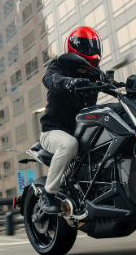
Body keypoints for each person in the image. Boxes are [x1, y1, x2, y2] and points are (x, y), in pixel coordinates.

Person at [36, 26, 103, 214]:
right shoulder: (59, 65)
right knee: (69, 144)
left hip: (82, 132)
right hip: (53, 131)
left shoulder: (94, 73)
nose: (91, 49)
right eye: (86, 45)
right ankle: (48, 194)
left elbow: (111, 83)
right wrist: (69, 82)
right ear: (74, 47)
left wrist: (130, 86)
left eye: (93, 45)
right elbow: (50, 79)